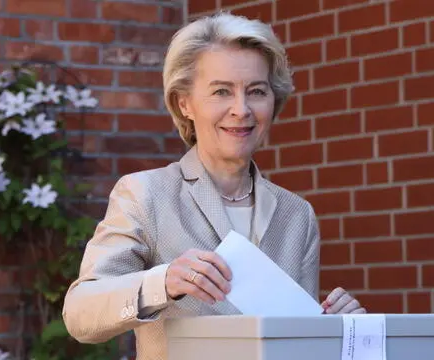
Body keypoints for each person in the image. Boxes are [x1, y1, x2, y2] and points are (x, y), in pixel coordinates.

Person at [62, 12, 366, 360]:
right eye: (222, 91)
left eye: (256, 91)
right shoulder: (145, 195)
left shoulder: (297, 215)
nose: (241, 109)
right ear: (184, 103)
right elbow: (80, 314)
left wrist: (334, 329)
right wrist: (162, 283)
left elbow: (297, 344)